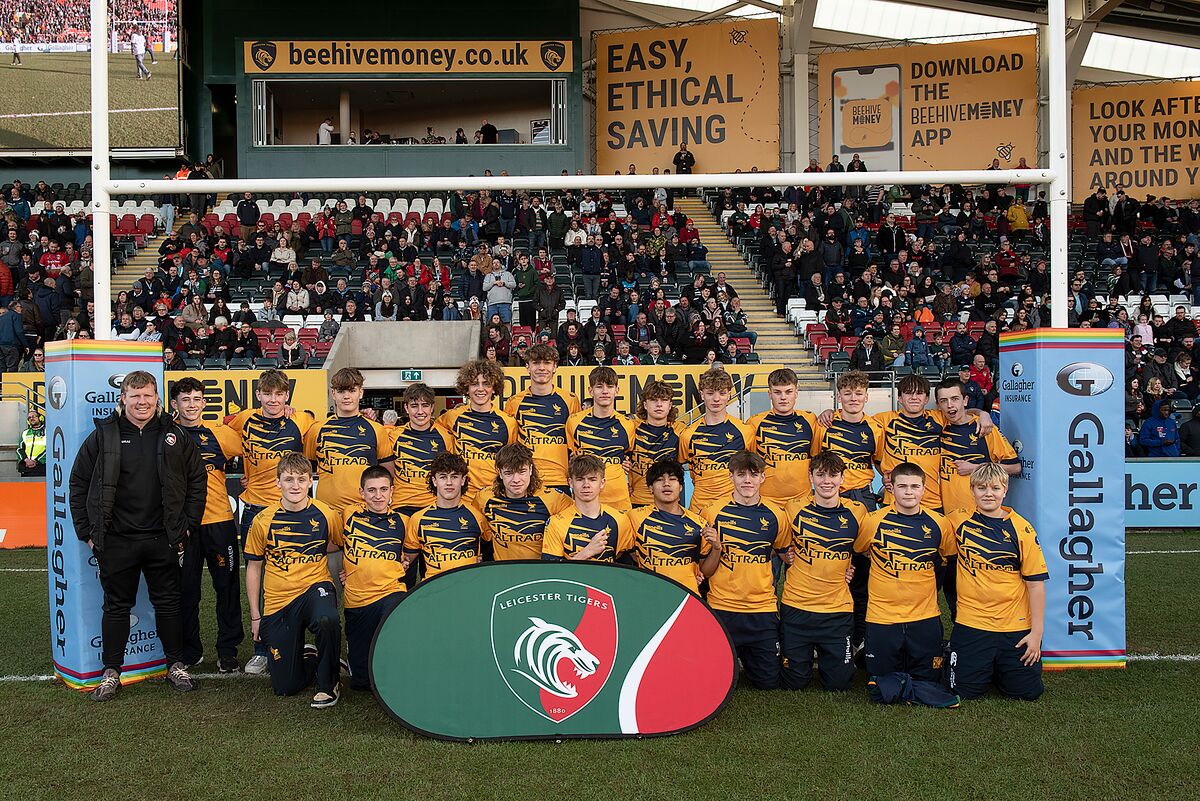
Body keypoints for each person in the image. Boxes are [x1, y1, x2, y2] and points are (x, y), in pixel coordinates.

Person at [68, 372, 206, 701]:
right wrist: (86, 532)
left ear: (157, 399)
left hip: (164, 538)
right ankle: (111, 671)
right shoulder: (104, 436)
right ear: (123, 399)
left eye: (147, 396)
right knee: (116, 606)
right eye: (135, 396)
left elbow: (197, 481)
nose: (142, 402)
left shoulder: (174, 434)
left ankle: (175, 664)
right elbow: (78, 484)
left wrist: (187, 524)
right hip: (117, 540)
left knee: (170, 604)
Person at [227, 369, 317, 674]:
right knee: (258, 578)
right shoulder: (244, 420)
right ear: (258, 396)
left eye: (279, 394)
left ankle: (303, 640)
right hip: (254, 509)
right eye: (268, 394)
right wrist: (246, 476)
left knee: (296, 575)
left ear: (287, 395)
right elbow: (224, 431)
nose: (274, 400)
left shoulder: (301, 420)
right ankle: (262, 649)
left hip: (291, 509)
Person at [244, 452, 344, 708]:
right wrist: (256, 616)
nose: (295, 486)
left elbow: (343, 545)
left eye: (301, 479)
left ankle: (329, 683)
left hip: (315, 587)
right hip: (279, 600)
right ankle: (312, 657)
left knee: (327, 619)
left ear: (311, 481)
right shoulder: (262, 520)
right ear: (278, 482)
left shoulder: (326, 514)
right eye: (289, 480)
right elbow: (254, 568)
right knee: (285, 687)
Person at [946, 464, 1048, 701]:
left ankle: (995, 666)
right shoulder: (957, 521)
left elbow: (1036, 585)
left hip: (1014, 626)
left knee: (1027, 693)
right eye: (981, 488)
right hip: (972, 623)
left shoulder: (1022, 529)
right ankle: (962, 655)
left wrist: (1036, 634)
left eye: (994, 488)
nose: (988, 493)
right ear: (972, 490)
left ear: (1005, 490)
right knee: (962, 691)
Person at [854, 462, 955, 687]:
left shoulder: (940, 524)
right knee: (881, 683)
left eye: (914, 486)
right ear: (891, 488)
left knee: (927, 680)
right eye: (902, 486)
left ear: (924, 488)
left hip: (924, 615)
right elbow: (860, 550)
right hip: (882, 616)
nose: (909, 491)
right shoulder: (873, 522)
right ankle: (868, 648)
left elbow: (945, 559)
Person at [170, 378, 244, 673]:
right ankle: (191, 650)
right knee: (186, 591)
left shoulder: (220, 434)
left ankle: (228, 650)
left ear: (204, 403)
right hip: (184, 527)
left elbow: (252, 452)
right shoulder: (166, 435)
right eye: (185, 399)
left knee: (226, 588)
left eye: (197, 399)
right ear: (175, 403)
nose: (191, 404)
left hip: (219, 522)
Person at [700, 450, 790, 689]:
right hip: (722, 607)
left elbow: (786, 553)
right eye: (741, 474)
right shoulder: (712, 512)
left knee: (768, 683)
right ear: (731, 477)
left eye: (754, 474)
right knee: (715, 682)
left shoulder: (777, 516)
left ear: (762, 478)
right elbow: (704, 569)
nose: (747, 480)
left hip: (762, 609)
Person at [779, 452, 868, 691]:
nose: (826, 481)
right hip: (797, 606)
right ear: (810, 477)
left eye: (833, 475)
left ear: (842, 479)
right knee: (794, 682)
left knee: (838, 685)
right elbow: (779, 544)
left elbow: (867, 550)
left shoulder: (858, 512)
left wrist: (852, 568)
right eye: (820, 475)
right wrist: (786, 554)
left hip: (836, 610)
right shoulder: (793, 508)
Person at [339, 466, 409, 691]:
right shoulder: (348, 515)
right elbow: (331, 543)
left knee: (394, 619)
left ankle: (398, 669)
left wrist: (404, 563)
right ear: (362, 492)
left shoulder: (404, 521)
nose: (378, 496)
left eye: (383, 489)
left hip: (390, 592)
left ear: (392, 491)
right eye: (371, 490)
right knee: (361, 683)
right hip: (357, 600)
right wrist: (349, 568)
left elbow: (412, 554)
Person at [303, 368, 393, 514]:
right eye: (341, 391)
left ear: (361, 393)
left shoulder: (377, 430)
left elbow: (387, 474)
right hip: (326, 512)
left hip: (364, 512)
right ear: (333, 393)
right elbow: (306, 472)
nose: (346, 396)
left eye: (351, 391)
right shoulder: (316, 430)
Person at [626, 459, 716, 594]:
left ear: (680, 487)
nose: (666, 484)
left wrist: (717, 547)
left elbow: (705, 571)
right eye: (660, 480)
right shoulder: (633, 518)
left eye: (672, 479)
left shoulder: (699, 523)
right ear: (650, 488)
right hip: (648, 596)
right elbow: (628, 553)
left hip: (687, 599)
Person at [935, 378, 1021, 515]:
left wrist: (975, 467)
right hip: (946, 516)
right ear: (938, 405)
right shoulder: (937, 427)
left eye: (955, 399)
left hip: (978, 516)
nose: (950, 405)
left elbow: (1015, 468)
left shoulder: (985, 428)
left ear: (965, 400)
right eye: (944, 401)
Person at [436, 360, 518, 503]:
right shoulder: (451, 417)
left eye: (486, 384)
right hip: (462, 497)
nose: (480, 389)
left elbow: (510, 462)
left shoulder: (508, 422)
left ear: (494, 388)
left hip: (495, 496)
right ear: (466, 388)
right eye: (474, 384)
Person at [474, 443, 573, 560]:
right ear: (500, 473)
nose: (516, 480)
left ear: (530, 470)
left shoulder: (554, 499)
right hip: (502, 572)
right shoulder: (484, 498)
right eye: (508, 473)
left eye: (522, 472)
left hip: (541, 573)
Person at [504, 344, 581, 493]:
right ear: (527, 367)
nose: (541, 368)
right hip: (527, 480)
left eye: (547, 363)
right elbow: (511, 448)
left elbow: (576, 444)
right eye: (536, 363)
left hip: (560, 480)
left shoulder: (570, 400)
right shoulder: (514, 402)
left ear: (555, 367)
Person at [402, 452, 490, 579]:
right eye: (443, 477)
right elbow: (406, 560)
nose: (449, 482)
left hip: (469, 586)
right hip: (433, 590)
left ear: (463, 480)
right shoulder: (418, 519)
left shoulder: (477, 517)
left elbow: (491, 549)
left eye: (454, 477)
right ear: (434, 481)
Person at [680, 368, 754, 512]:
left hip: (734, 510)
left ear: (730, 395)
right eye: (710, 393)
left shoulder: (746, 432)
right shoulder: (687, 435)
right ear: (702, 395)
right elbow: (688, 473)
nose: (716, 399)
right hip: (699, 510)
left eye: (722, 393)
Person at [566, 366, 638, 510]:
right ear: (590, 391)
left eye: (610, 386)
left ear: (616, 390)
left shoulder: (628, 424)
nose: (605, 391)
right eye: (599, 387)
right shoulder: (574, 422)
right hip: (586, 503)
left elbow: (628, 458)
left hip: (619, 500)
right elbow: (571, 458)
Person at [541, 454, 635, 562]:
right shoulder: (556, 523)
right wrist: (587, 552)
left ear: (602, 483)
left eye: (592, 479)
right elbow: (551, 572)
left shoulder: (620, 520)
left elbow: (630, 564)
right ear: (570, 483)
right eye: (580, 479)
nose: (586, 485)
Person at [747, 368, 820, 504]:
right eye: (777, 392)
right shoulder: (755, 423)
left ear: (796, 393)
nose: (783, 397)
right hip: (767, 502)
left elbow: (815, 458)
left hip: (802, 501)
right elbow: (749, 464)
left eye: (788, 392)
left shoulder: (810, 420)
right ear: (769, 394)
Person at [388, 383, 453, 515]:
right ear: (406, 408)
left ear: (432, 407)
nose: (420, 411)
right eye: (414, 406)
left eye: (425, 405)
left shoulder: (445, 437)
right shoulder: (393, 436)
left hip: (434, 505)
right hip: (401, 506)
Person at [628, 380, 684, 506]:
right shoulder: (631, 429)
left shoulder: (681, 431)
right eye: (654, 400)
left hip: (669, 503)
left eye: (663, 400)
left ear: (670, 405)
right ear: (645, 405)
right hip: (636, 502)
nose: (659, 404)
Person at [16, 407, 46, 477]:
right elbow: (19, 449)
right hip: (27, 467)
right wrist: (26, 460)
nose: (31, 418)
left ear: (40, 418)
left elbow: (50, 449)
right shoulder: (25, 433)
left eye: (33, 416)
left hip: (41, 467)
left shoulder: (47, 431)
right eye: (29, 417)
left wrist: (36, 461)